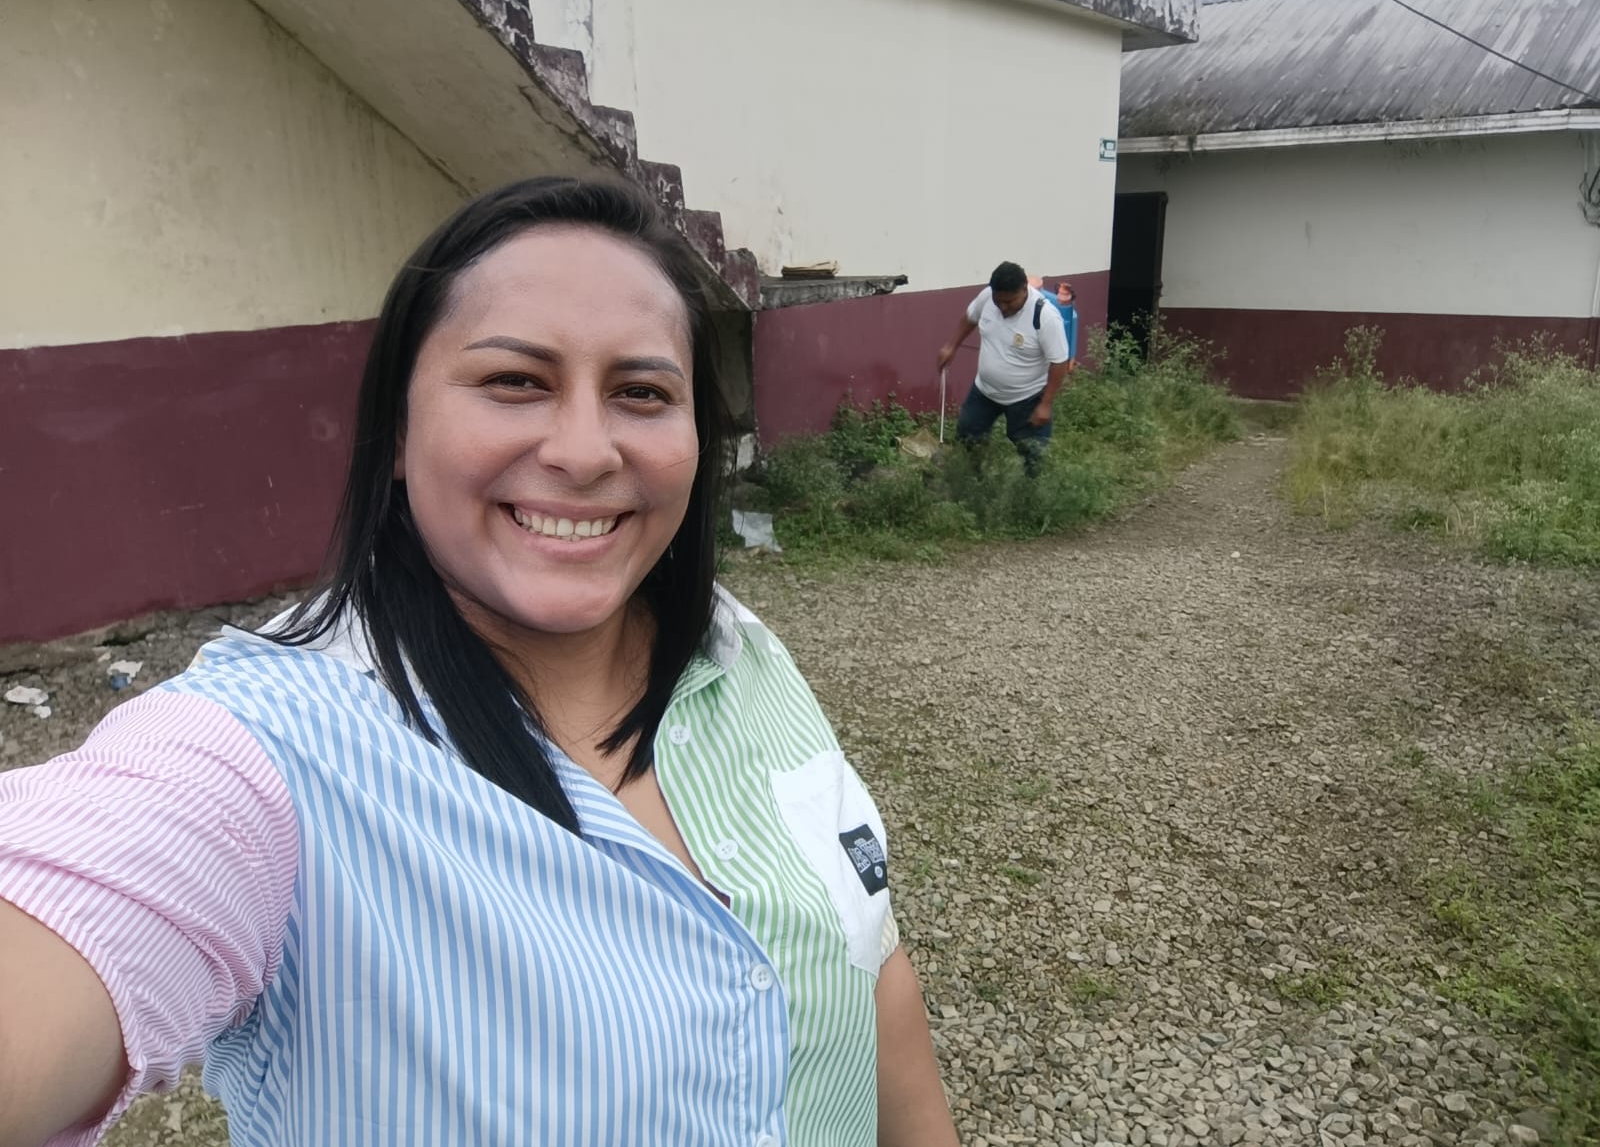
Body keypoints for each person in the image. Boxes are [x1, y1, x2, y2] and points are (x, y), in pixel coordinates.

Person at [0, 178, 960, 1147]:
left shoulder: (735, 648)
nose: (585, 452)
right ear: (397, 434)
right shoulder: (271, 750)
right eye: (514, 381)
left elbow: (868, 962)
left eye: (641, 393)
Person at [936, 261, 1072, 476]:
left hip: (1027, 398)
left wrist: (1046, 404)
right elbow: (970, 317)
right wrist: (951, 346)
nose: (1003, 307)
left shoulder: (1045, 316)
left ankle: (1031, 491)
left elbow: (1059, 362)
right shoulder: (987, 298)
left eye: (1009, 301)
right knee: (968, 438)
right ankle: (972, 481)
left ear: (1024, 289)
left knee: (1033, 454)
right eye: (998, 300)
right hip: (984, 392)